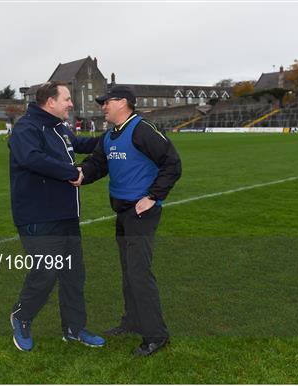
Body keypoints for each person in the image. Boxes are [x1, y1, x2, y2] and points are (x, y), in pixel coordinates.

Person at [79, 85, 181, 357]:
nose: (102, 107)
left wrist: (153, 196)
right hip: (123, 213)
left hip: (141, 213)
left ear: (123, 102)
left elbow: (172, 163)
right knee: (128, 270)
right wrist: (80, 175)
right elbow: (98, 164)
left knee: (139, 272)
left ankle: (156, 335)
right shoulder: (111, 135)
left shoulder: (141, 129)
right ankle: (133, 320)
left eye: (106, 102)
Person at [8, 80, 104, 352]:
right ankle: (22, 316)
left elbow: (81, 144)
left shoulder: (59, 128)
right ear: (50, 102)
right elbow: (31, 159)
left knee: (74, 274)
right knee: (46, 272)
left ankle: (74, 328)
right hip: (38, 216)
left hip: (66, 215)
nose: (71, 104)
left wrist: (113, 137)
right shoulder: (26, 128)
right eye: (67, 99)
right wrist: (72, 172)